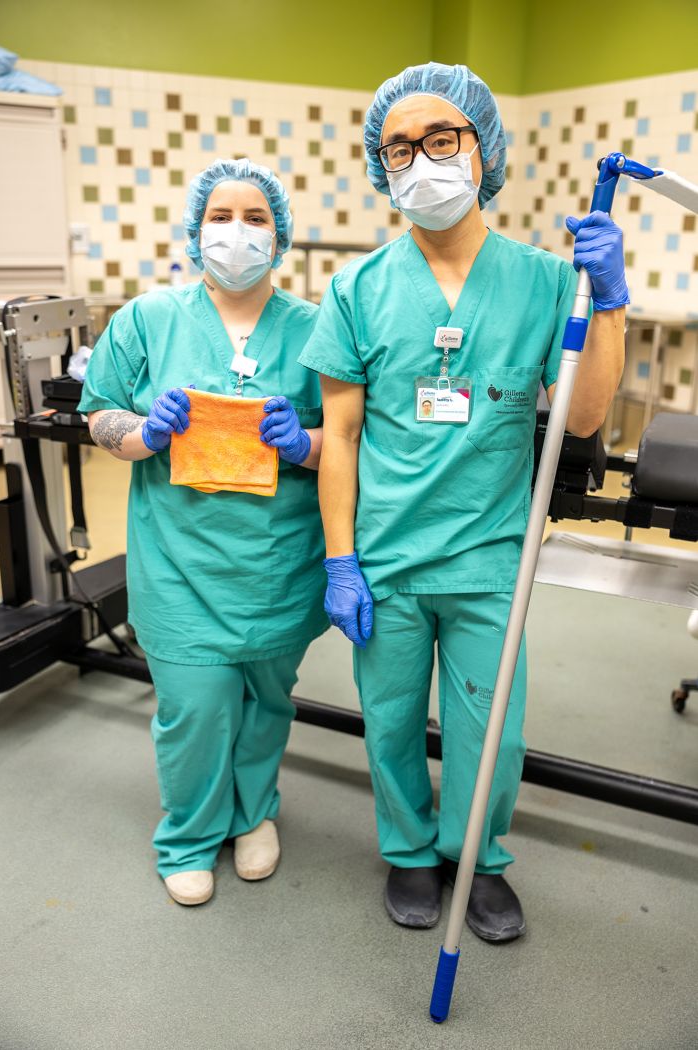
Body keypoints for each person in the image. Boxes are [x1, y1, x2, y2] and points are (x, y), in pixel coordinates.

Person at [298, 63, 626, 940]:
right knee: (392, 721)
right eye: (399, 148)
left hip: (490, 558)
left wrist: (610, 305)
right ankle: (409, 850)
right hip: (388, 558)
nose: (421, 161)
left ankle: (478, 855)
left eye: (441, 139)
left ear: (483, 149)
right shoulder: (358, 290)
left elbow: (584, 416)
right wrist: (340, 560)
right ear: (382, 167)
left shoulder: (547, 281)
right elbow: (341, 438)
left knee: (493, 734)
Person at [79, 158, 327, 906]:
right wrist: (144, 433)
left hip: (279, 562)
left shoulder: (315, 329)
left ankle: (254, 815)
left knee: (267, 701)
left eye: (255, 218)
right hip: (180, 563)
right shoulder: (148, 320)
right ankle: (188, 836)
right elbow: (99, 414)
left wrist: (303, 444)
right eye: (221, 216)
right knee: (195, 706)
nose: (237, 232)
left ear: (280, 236)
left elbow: (350, 441)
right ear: (195, 232)